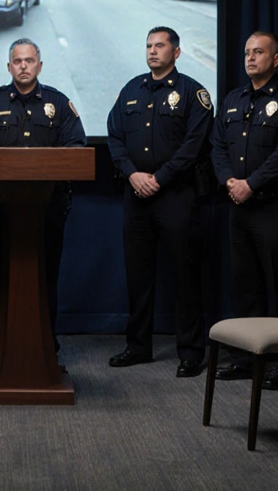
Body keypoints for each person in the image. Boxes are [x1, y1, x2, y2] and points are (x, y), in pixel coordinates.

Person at [0, 38, 86, 371]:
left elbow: (76, 147)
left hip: (47, 210)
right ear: (9, 67)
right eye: (17, 61)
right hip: (3, 210)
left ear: (40, 65)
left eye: (29, 60)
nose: (23, 66)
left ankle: (47, 351)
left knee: (45, 278)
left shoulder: (58, 103)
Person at [105, 27, 213, 377]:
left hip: (177, 196)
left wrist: (159, 178)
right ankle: (138, 347)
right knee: (139, 277)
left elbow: (194, 146)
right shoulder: (131, 90)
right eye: (149, 45)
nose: (153, 51)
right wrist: (132, 174)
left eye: (160, 46)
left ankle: (192, 352)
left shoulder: (193, 93)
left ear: (176, 53)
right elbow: (115, 136)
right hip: (136, 195)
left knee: (186, 276)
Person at [209, 31, 278, 390]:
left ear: (275, 59)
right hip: (239, 206)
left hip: (275, 207)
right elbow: (217, 146)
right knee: (245, 284)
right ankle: (246, 359)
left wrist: (251, 184)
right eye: (247, 52)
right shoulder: (233, 100)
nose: (251, 58)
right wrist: (229, 182)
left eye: (259, 52)